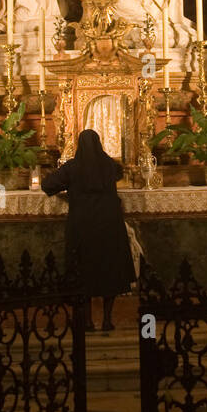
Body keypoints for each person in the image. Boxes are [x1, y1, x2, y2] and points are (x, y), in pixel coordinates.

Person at [42, 130, 135, 332]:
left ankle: (87, 321)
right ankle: (108, 320)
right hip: (109, 225)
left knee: (84, 270)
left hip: (83, 225)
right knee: (110, 271)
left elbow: (47, 185)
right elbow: (121, 172)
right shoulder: (109, 166)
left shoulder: (72, 168)